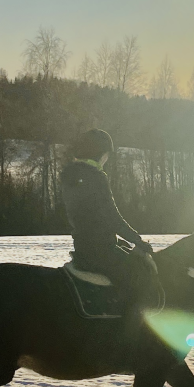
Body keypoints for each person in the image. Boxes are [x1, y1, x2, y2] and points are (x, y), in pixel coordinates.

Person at [61, 129, 159, 316]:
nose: (107, 159)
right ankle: (129, 331)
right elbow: (112, 217)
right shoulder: (96, 177)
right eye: (107, 155)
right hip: (101, 250)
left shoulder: (70, 175)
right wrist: (137, 240)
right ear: (101, 153)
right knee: (140, 278)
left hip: (83, 249)